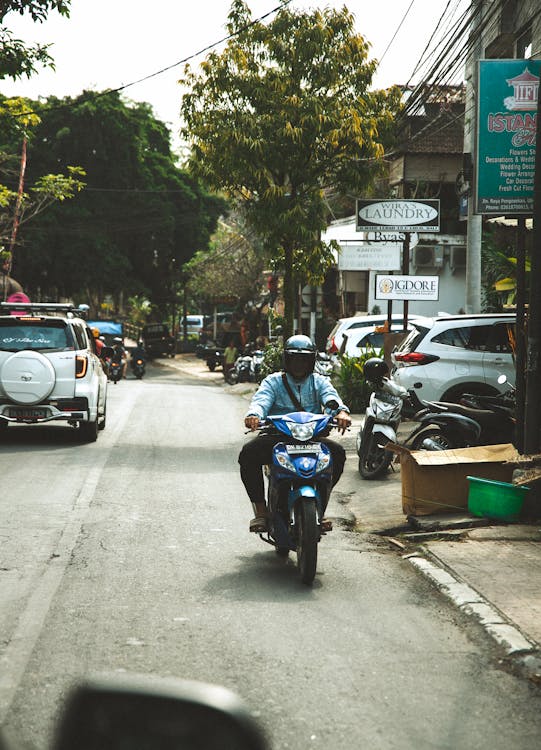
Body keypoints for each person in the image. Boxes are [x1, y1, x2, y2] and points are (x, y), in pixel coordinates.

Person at [239, 334, 351, 533]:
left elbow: (331, 400)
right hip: (277, 437)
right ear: (286, 360)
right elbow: (261, 401)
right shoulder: (273, 381)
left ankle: (320, 507)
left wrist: (341, 412)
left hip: (312, 438)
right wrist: (254, 415)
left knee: (338, 454)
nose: (299, 364)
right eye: (294, 359)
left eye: (304, 359)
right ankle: (261, 511)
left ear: (311, 361)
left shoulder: (319, 381)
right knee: (248, 453)